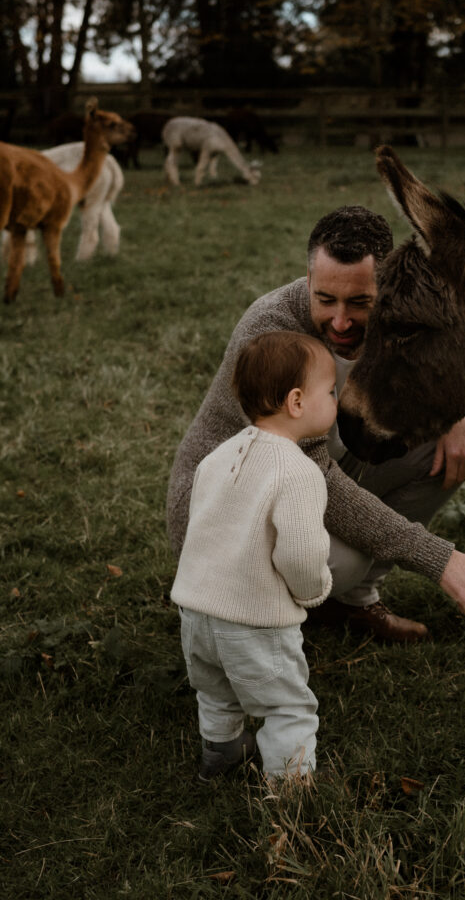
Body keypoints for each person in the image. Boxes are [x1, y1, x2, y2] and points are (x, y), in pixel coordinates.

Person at [167, 205, 465, 645]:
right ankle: (254, 631)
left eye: (360, 303)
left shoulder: (397, 321)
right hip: (224, 522)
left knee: (435, 452)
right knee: (340, 561)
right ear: (308, 282)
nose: (341, 321)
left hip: (310, 479)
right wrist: (438, 559)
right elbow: (309, 475)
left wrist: (456, 416)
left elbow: (439, 364)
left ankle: (355, 602)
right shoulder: (272, 335)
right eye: (325, 299)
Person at [171, 331, 336, 782]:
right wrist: (314, 590)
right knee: (287, 705)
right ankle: (290, 792)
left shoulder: (217, 457)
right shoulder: (298, 471)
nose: (336, 399)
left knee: (217, 692)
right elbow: (301, 553)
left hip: (196, 612)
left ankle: (221, 753)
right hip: (253, 621)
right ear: (298, 401)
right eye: (332, 390)